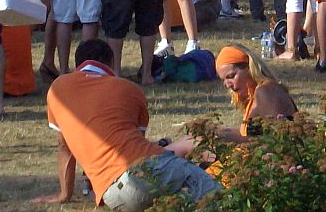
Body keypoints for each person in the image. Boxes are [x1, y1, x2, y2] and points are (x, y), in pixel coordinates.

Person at [42, 38, 220, 209]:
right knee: (221, 197)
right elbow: (137, 150)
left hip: (111, 194)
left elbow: (64, 147)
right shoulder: (128, 88)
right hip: (143, 173)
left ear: (77, 63)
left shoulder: (58, 88)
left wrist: (65, 194)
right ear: (111, 62)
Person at [213, 44, 296, 137]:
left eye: (231, 76)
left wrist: (233, 138)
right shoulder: (255, 96)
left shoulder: (266, 91)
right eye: (223, 80)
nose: (227, 85)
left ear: (249, 68)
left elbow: (280, 141)